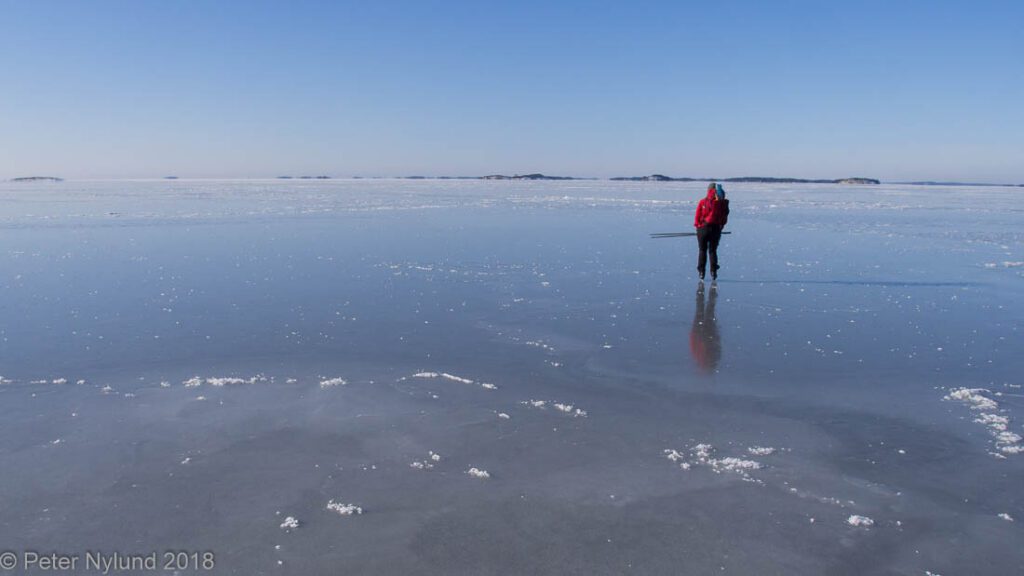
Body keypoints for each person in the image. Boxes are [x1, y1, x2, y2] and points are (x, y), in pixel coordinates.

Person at [693, 182, 730, 280]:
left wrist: (698, 227)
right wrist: (720, 227)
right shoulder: (722, 203)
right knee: (712, 251)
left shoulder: (703, 201)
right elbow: (724, 218)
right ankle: (713, 271)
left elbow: (697, 216)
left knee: (702, 250)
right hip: (716, 229)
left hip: (702, 230)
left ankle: (701, 272)